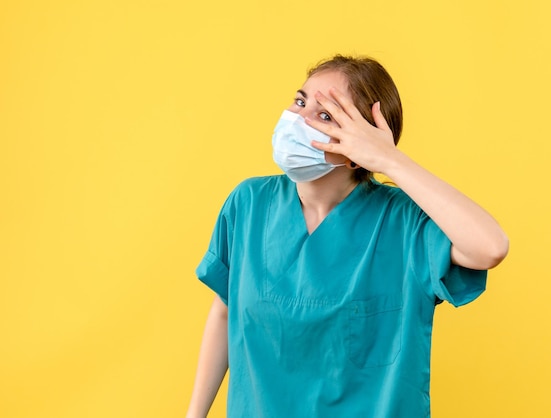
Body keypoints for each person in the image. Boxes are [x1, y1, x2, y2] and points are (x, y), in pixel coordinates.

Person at [186, 55, 509, 418]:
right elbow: (225, 312)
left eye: (326, 116)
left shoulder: (403, 222)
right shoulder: (248, 204)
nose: (299, 119)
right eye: (300, 101)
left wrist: (390, 161)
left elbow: (490, 247)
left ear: (361, 148)